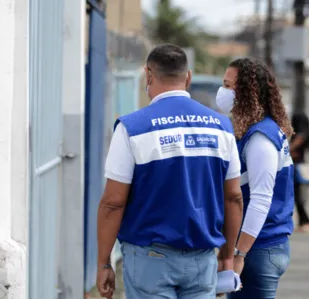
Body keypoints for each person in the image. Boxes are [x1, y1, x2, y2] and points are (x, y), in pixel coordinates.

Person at [96, 44, 244, 299]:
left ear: (149, 75)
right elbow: (233, 198)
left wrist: (104, 263)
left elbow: (113, 203)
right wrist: (227, 256)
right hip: (202, 259)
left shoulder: (132, 127)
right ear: (188, 77)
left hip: (149, 260)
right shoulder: (221, 127)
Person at [215, 58, 295, 299]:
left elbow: (261, 198)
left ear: (247, 94)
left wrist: (238, 255)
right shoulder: (254, 131)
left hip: (259, 248)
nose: (223, 92)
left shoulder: (260, 138)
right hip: (258, 246)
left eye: (229, 87)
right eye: (224, 85)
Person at [290, 111, 309, 232]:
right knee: (297, 195)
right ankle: (304, 221)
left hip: (297, 165)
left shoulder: (301, 133)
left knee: (297, 195)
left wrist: (288, 149)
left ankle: (306, 221)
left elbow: (300, 138)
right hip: (298, 164)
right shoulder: (306, 131)